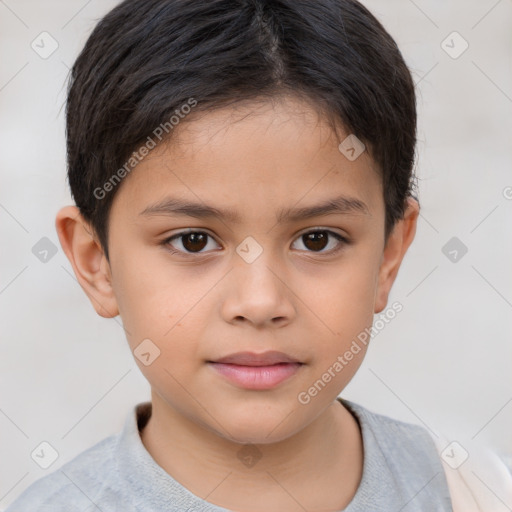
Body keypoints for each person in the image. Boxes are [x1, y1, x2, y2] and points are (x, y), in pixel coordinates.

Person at [6, 0, 484, 510]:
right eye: (193, 241)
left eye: (317, 239)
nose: (260, 303)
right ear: (95, 261)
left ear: (389, 255)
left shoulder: (476, 493)